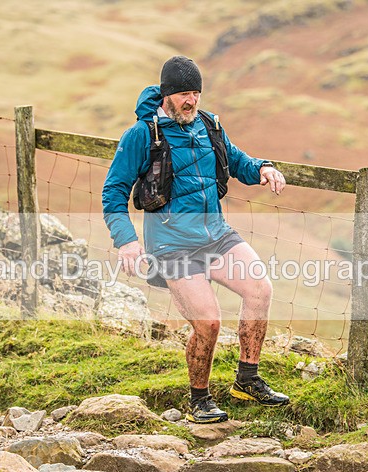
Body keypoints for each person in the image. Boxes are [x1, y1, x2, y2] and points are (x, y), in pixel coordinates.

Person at [102, 55, 290, 423]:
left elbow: (237, 161)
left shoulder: (208, 125)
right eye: (184, 94)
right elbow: (114, 192)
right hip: (172, 245)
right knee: (208, 322)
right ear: (167, 95)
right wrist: (126, 240)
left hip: (216, 235)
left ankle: (246, 381)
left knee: (260, 290)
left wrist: (263, 167)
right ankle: (199, 400)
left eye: (196, 93)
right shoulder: (142, 134)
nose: (191, 101)